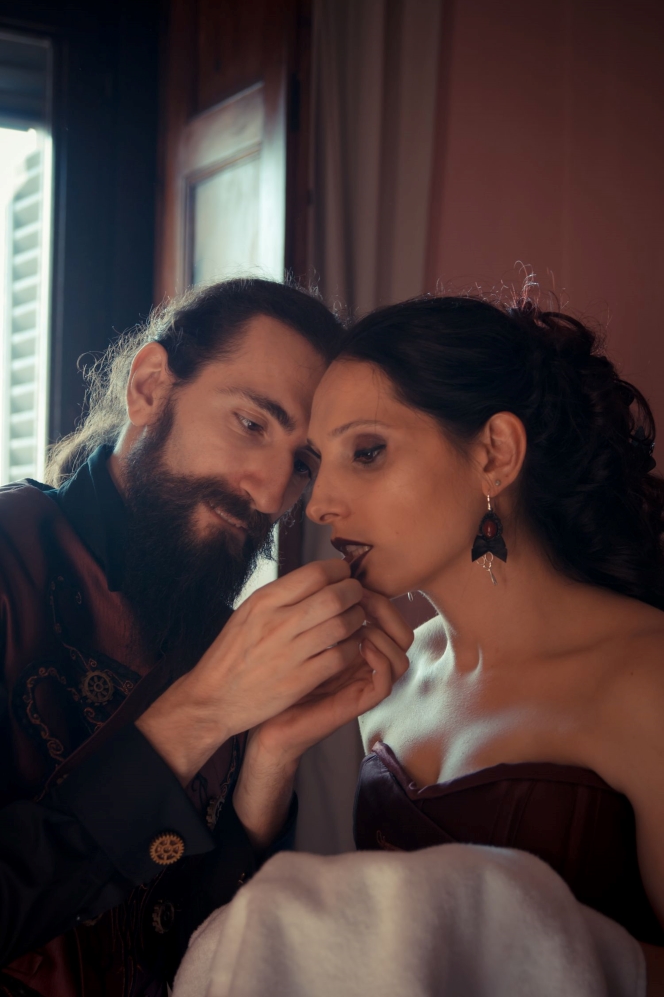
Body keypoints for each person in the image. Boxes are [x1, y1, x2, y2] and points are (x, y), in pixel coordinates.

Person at [0, 278, 411, 997]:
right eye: (252, 424)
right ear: (151, 387)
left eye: (303, 463)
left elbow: (211, 956)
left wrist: (270, 756)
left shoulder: (229, 644)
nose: (271, 491)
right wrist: (201, 716)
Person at [301, 294, 664, 990]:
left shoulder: (647, 678)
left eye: (367, 451)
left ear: (495, 454)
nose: (319, 502)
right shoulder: (390, 678)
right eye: (317, 463)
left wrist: (528, 945)